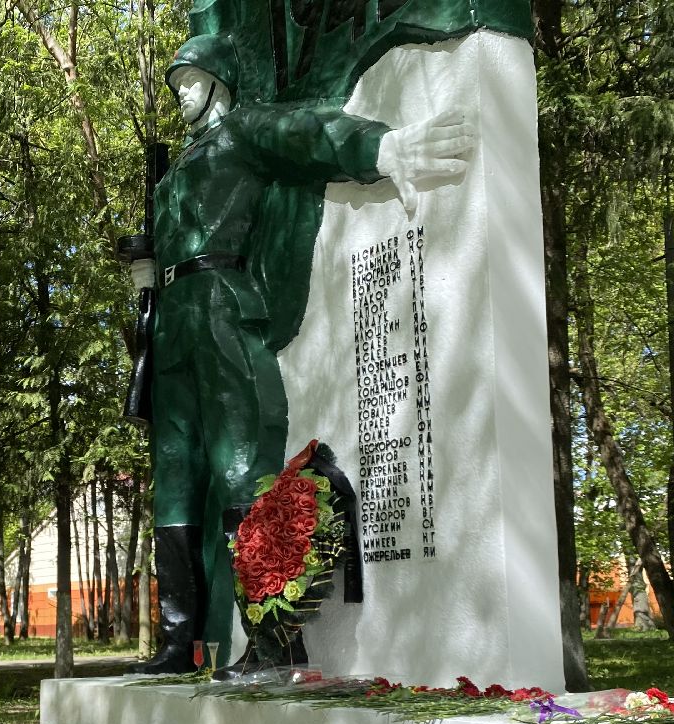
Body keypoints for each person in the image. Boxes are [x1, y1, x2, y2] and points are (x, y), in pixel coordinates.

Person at [127, 34, 473, 674]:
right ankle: (178, 642)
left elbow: (304, 133)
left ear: (222, 83)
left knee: (240, 467)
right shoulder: (175, 172)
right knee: (173, 481)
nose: (182, 94)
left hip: (218, 301)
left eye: (193, 80)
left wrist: (381, 146)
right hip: (171, 318)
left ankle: (270, 639)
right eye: (176, 84)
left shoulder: (242, 130)